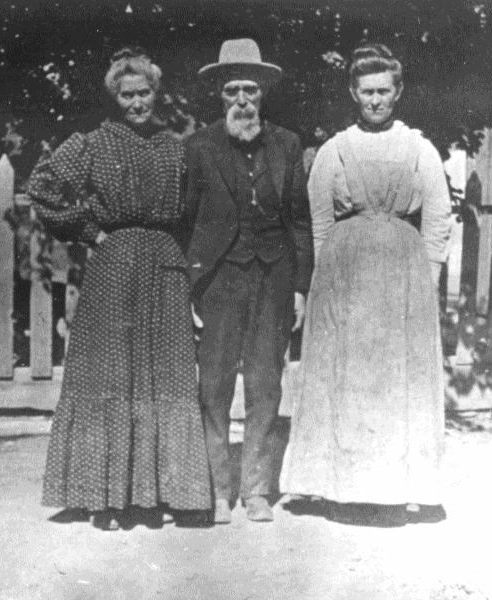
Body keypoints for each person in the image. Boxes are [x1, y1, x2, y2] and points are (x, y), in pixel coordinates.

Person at [28, 47, 211, 530]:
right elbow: (42, 186)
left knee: (165, 373)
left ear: (157, 92)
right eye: (127, 95)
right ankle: (102, 494)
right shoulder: (93, 144)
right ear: (116, 97)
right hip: (113, 268)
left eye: (145, 93)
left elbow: (200, 211)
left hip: (166, 268)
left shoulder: (179, 146)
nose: (137, 103)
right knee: (109, 374)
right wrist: (89, 232)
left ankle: (161, 492)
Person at [280, 43, 451, 527]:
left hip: (403, 272)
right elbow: (318, 223)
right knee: (346, 374)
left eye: (384, 91)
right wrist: (318, 285)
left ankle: (398, 489)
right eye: (366, 92)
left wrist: (431, 274)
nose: (375, 100)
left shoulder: (419, 148)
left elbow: (438, 215)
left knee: (396, 378)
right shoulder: (336, 149)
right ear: (353, 93)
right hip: (345, 273)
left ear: (397, 93)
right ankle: (340, 487)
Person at [186, 39, 314, 523]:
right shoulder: (197, 147)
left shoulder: (286, 144)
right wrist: (191, 286)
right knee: (213, 384)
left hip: (274, 279)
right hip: (219, 279)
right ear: (220, 96)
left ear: (264, 95)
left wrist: (300, 286)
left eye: (251, 91)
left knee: (266, 382)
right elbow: (186, 221)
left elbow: (299, 221)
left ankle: (257, 488)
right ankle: (218, 489)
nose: (242, 100)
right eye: (233, 90)